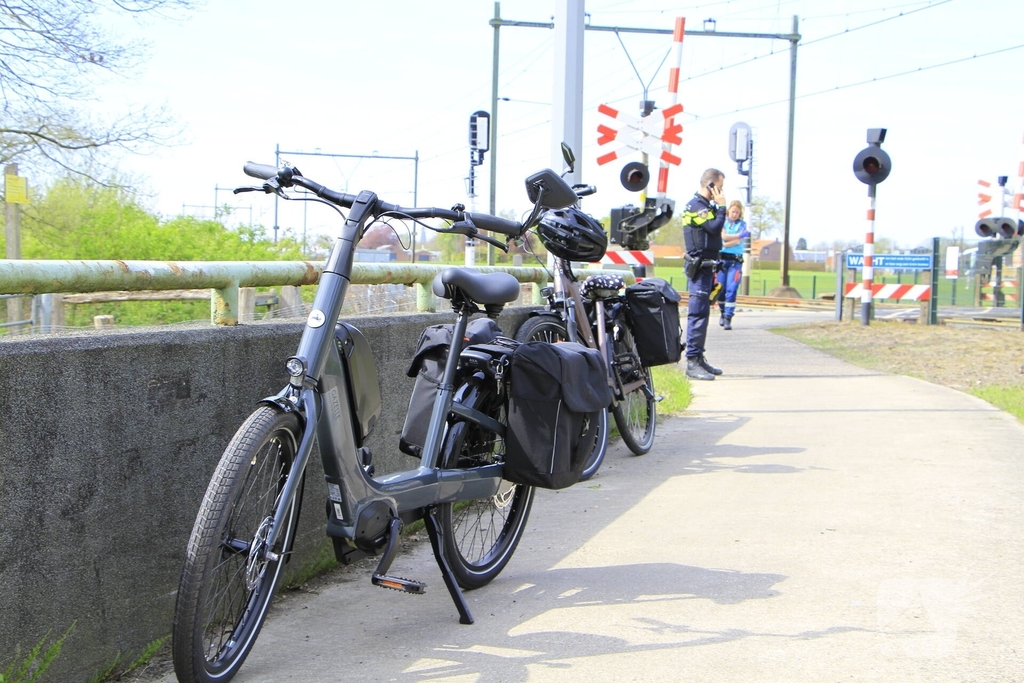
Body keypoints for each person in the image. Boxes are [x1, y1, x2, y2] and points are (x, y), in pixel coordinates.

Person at [682, 168, 726, 381]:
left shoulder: (705, 206)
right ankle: (691, 362)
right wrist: (723, 206)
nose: (721, 191)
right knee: (697, 314)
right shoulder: (696, 207)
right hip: (699, 268)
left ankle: (698, 358)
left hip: (707, 267)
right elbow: (714, 227)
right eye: (719, 186)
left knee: (704, 315)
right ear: (710, 185)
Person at [716, 200, 750, 330]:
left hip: (735, 262)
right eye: (733, 211)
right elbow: (723, 236)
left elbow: (737, 242)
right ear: (728, 211)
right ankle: (722, 312)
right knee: (720, 289)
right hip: (722, 261)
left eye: (737, 212)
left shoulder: (742, 224)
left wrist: (725, 243)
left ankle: (728, 317)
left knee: (732, 289)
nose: (734, 214)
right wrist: (734, 237)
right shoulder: (722, 222)